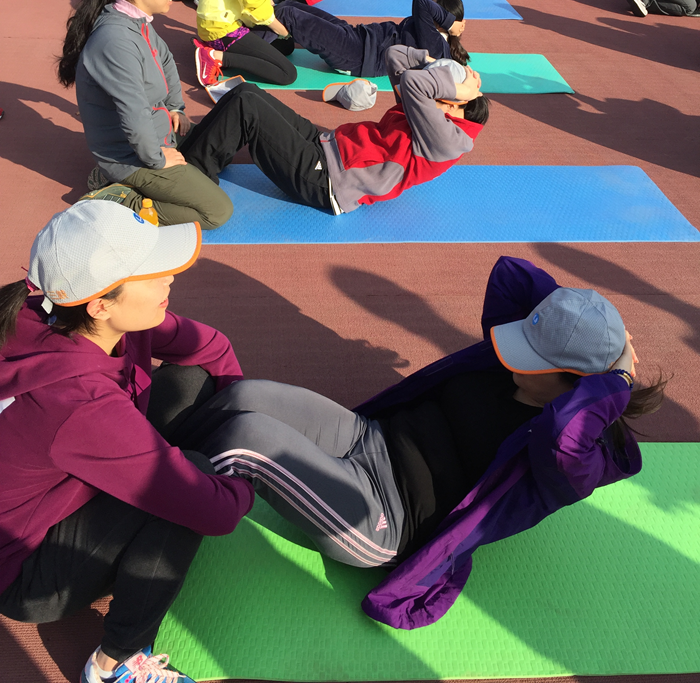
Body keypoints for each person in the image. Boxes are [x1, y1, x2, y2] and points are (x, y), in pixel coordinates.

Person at [193, 255, 664, 629]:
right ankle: (158, 451)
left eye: (533, 356)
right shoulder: (504, 366)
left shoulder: (571, 461)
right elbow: (511, 275)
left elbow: (566, 436)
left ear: (577, 385)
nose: (514, 354)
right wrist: (595, 336)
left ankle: (156, 500)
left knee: (246, 438)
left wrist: (616, 378)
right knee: (244, 397)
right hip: (366, 436)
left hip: (383, 515)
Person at [0, 200, 256, 683]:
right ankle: (113, 663)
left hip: (63, 478)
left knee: (193, 383)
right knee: (194, 485)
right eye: (152, 272)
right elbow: (217, 513)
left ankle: (164, 479)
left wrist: (236, 410)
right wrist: (247, 477)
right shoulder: (78, 402)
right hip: (26, 571)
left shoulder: (70, 313)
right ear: (100, 303)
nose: (170, 278)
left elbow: (212, 346)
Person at [57, 0, 237, 230]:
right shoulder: (115, 40)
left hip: (156, 132)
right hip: (131, 157)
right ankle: (118, 198)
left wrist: (176, 108)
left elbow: (166, 62)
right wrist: (156, 160)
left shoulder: (137, 22)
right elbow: (134, 112)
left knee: (221, 146)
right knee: (217, 211)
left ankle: (124, 178)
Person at [181, 44, 487, 216]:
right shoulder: (429, 114)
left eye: (442, 95)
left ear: (455, 105)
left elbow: (412, 82)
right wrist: (434, 63)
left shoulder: (446, 141)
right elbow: (394, 55)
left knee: (247, 107)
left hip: (327, 181)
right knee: (248, 92)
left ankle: (191, 178)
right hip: (324, 145)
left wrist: (459, 89)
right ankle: (193, 148)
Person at [275, 0, 468, 78]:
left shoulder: (436, 44)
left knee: (290, 15)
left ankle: (254, 40)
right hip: (357, 36)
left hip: (356, 55)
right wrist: (447, 20)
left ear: (441, 22)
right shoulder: (431, 27)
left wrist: (450, 24)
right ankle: (265, 27)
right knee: (289, 5)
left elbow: (422, 2)